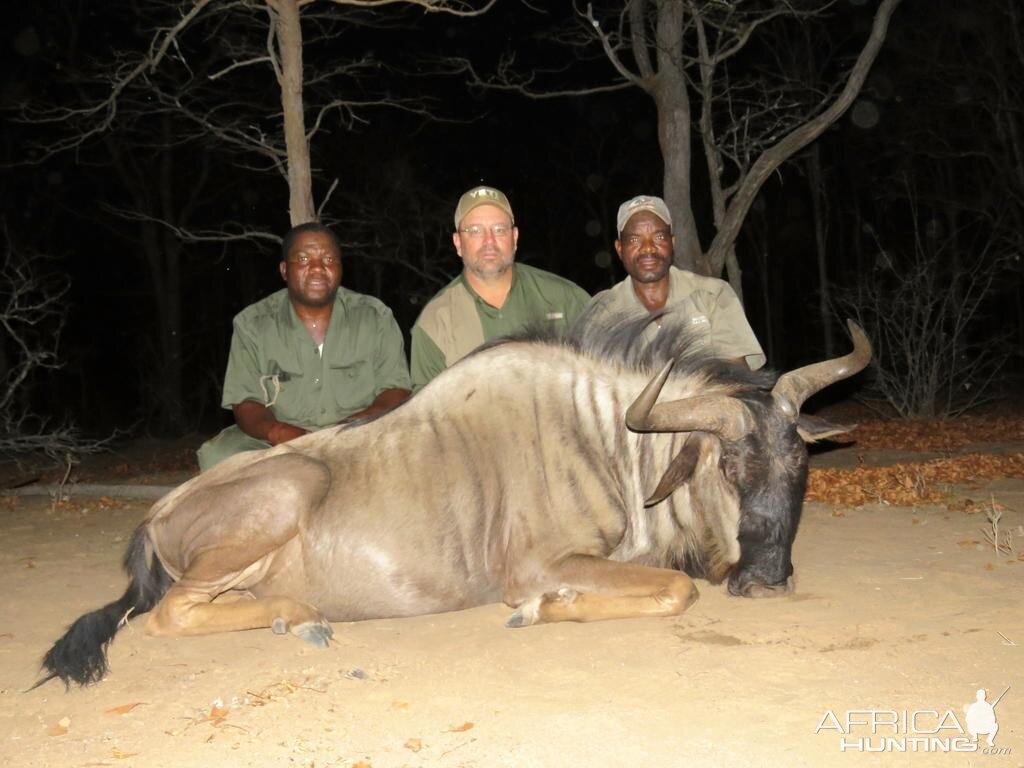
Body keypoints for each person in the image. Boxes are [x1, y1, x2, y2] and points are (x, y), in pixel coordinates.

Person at [196, 222, 412, 470]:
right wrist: (279, 432)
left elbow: (397, 389)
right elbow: (245, 402)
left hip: (359, 433)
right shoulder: (253, 324)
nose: (318, 268)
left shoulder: (375, 316)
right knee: (217, 457)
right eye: (304, 259)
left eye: (329, 259)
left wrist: (354, 426)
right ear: (285, 270)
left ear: (341, 268)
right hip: (281, 438)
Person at [409, 185, 590, 389]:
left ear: (514, 238)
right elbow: (427, 415)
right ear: (458, 243)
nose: (489, 241)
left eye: (499, 229)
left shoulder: (566, 299)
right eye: (475, 231)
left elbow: (604, 378)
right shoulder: (434, 323)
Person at [584, 194, 765, 369]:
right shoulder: (601, 312)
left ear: (672, 243)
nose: (648, 247)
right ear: (619, 249)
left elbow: (736, 380)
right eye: (634, 239)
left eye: (659, 237)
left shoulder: (713, 294)